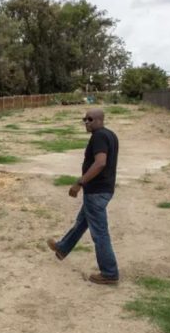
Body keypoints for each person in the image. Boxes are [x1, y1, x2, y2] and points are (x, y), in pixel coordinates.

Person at [46, 107, 120, 284]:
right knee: (82, 222)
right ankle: (63, 248)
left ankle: (109, 273)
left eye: (90, 119)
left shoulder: (99, 136)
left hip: (96, 191)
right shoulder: (111, 135)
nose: (86, 123)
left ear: (100, 120)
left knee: (100, 233)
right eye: (84, 119)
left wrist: (80, 183)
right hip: (103, 189)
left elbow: (100, 163)